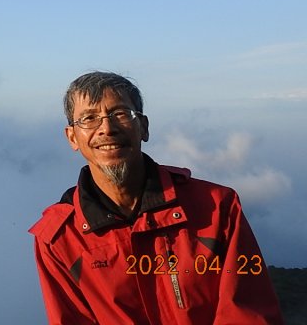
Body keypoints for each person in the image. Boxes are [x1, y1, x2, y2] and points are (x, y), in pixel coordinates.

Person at [30, 71, 284, 324]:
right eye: (89, 118)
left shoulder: (217, 207)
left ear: (143, 127)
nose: (106, 128)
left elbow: (248, 312)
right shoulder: (59, 238)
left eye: (120, 114)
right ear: (72, 137)